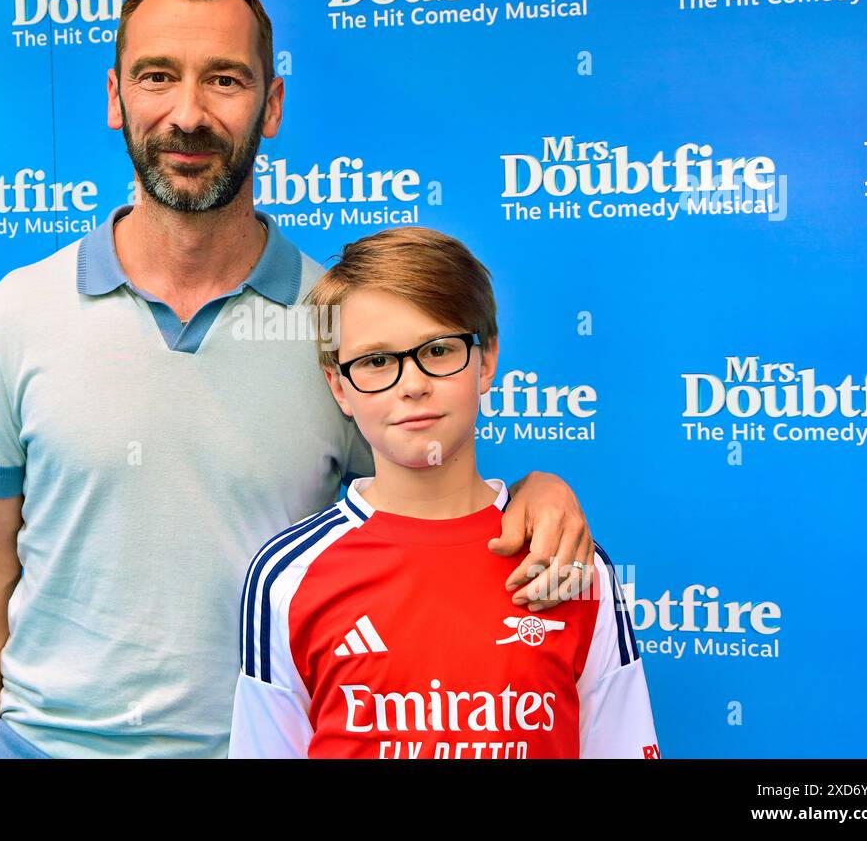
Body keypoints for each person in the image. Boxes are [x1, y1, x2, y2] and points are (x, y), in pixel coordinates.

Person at [0, 0, 597, 759]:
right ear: (116, 97)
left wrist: (535, 489)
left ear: (271, 105)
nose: (188, 113)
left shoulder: (346, 327)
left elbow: (430, 498)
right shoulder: (15, 314)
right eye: (158, 77)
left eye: (225, 80)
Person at [229, 227, 659, 758]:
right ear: (338, 386)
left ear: (486, 359)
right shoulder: (285, 577)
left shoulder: (567, 564)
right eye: (376, 361)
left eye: (437, 349)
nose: (412, 385)